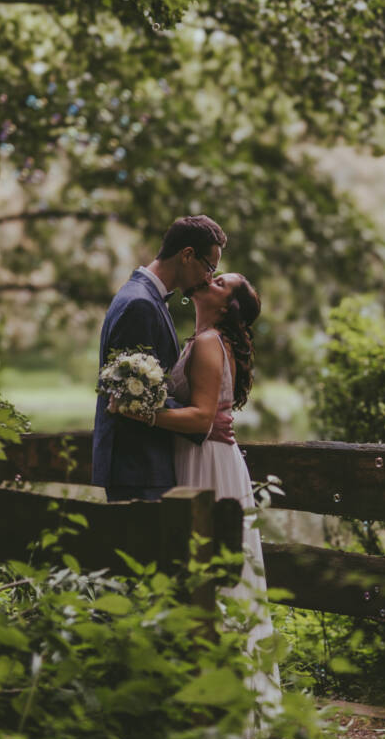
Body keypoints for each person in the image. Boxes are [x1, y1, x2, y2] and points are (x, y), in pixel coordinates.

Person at [117, 271, 281, 705]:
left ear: (227, 304)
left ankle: (227, 701)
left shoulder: (209, 343)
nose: (209, 278)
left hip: (207, 464)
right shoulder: (202, 337)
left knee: (214, 577)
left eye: (220, 281)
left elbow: (201, 419)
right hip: (199, 457)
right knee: (208, 575)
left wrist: (140, 412)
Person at [92, 214, 231, 501]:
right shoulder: (140, 305)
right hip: (138, 466)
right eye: (209, 267)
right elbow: (132, 395)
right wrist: (201, 418)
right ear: (187, 255)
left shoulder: (143, 297)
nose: (209, 278)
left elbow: (144, 390)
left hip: (142, 465)